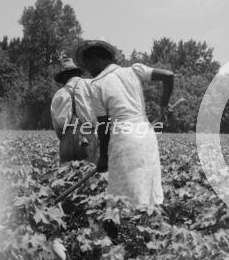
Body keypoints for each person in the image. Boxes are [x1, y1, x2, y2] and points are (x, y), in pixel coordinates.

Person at [74, 40, 174, 207]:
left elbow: (104, 126)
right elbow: (168, 76)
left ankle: (121, 229)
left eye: (88, 65)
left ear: (96, 59)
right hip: (146, 136)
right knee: (147, 192)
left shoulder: (97, 85)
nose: (88, 71)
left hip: (124, 141)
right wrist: (163, 105)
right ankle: (149, 228)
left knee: (121, 199)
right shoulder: (134, 70)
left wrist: (103, 158)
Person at [50, 58, 97, 164]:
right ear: (77, 73)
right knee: (90, 175)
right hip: (87, 134)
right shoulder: (91, 85)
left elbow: (57, 126)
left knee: (66, 176)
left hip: (66, 137)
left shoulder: (58, 94)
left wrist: (66, 138)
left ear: (64, 77)